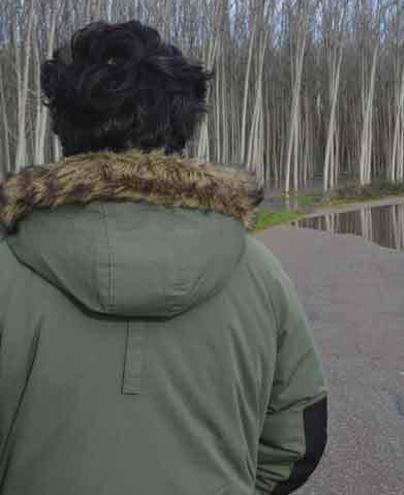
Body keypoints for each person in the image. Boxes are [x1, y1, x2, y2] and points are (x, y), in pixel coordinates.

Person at [0, 21, 327, 495]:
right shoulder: (259, 274)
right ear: (183, 127)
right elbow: (298, 436)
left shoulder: (8, 271)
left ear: (63, 128)